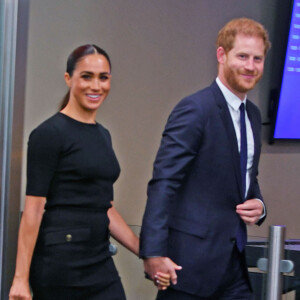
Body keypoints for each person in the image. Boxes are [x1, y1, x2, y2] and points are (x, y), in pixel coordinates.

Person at [9, 44, 169, 300]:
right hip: (60, 262)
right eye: (86, 76)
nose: (96, 86)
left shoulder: (102, 135)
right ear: (68, 78)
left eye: (103, 77)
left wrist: (145, 252)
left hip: (98, 260)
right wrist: (20, 279)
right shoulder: (49, 134)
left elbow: (105, 207)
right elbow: (33, 211)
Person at [140, 18, 271, 299]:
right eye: (243, 56)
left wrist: (259, 205)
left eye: (257, 58)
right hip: (189, 268)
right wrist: (152, 252)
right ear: (221, 55)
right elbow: (164, 182)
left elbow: (245, 175)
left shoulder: (253, 115)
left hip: (234, 267)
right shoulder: (195, 109)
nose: (250, 66)